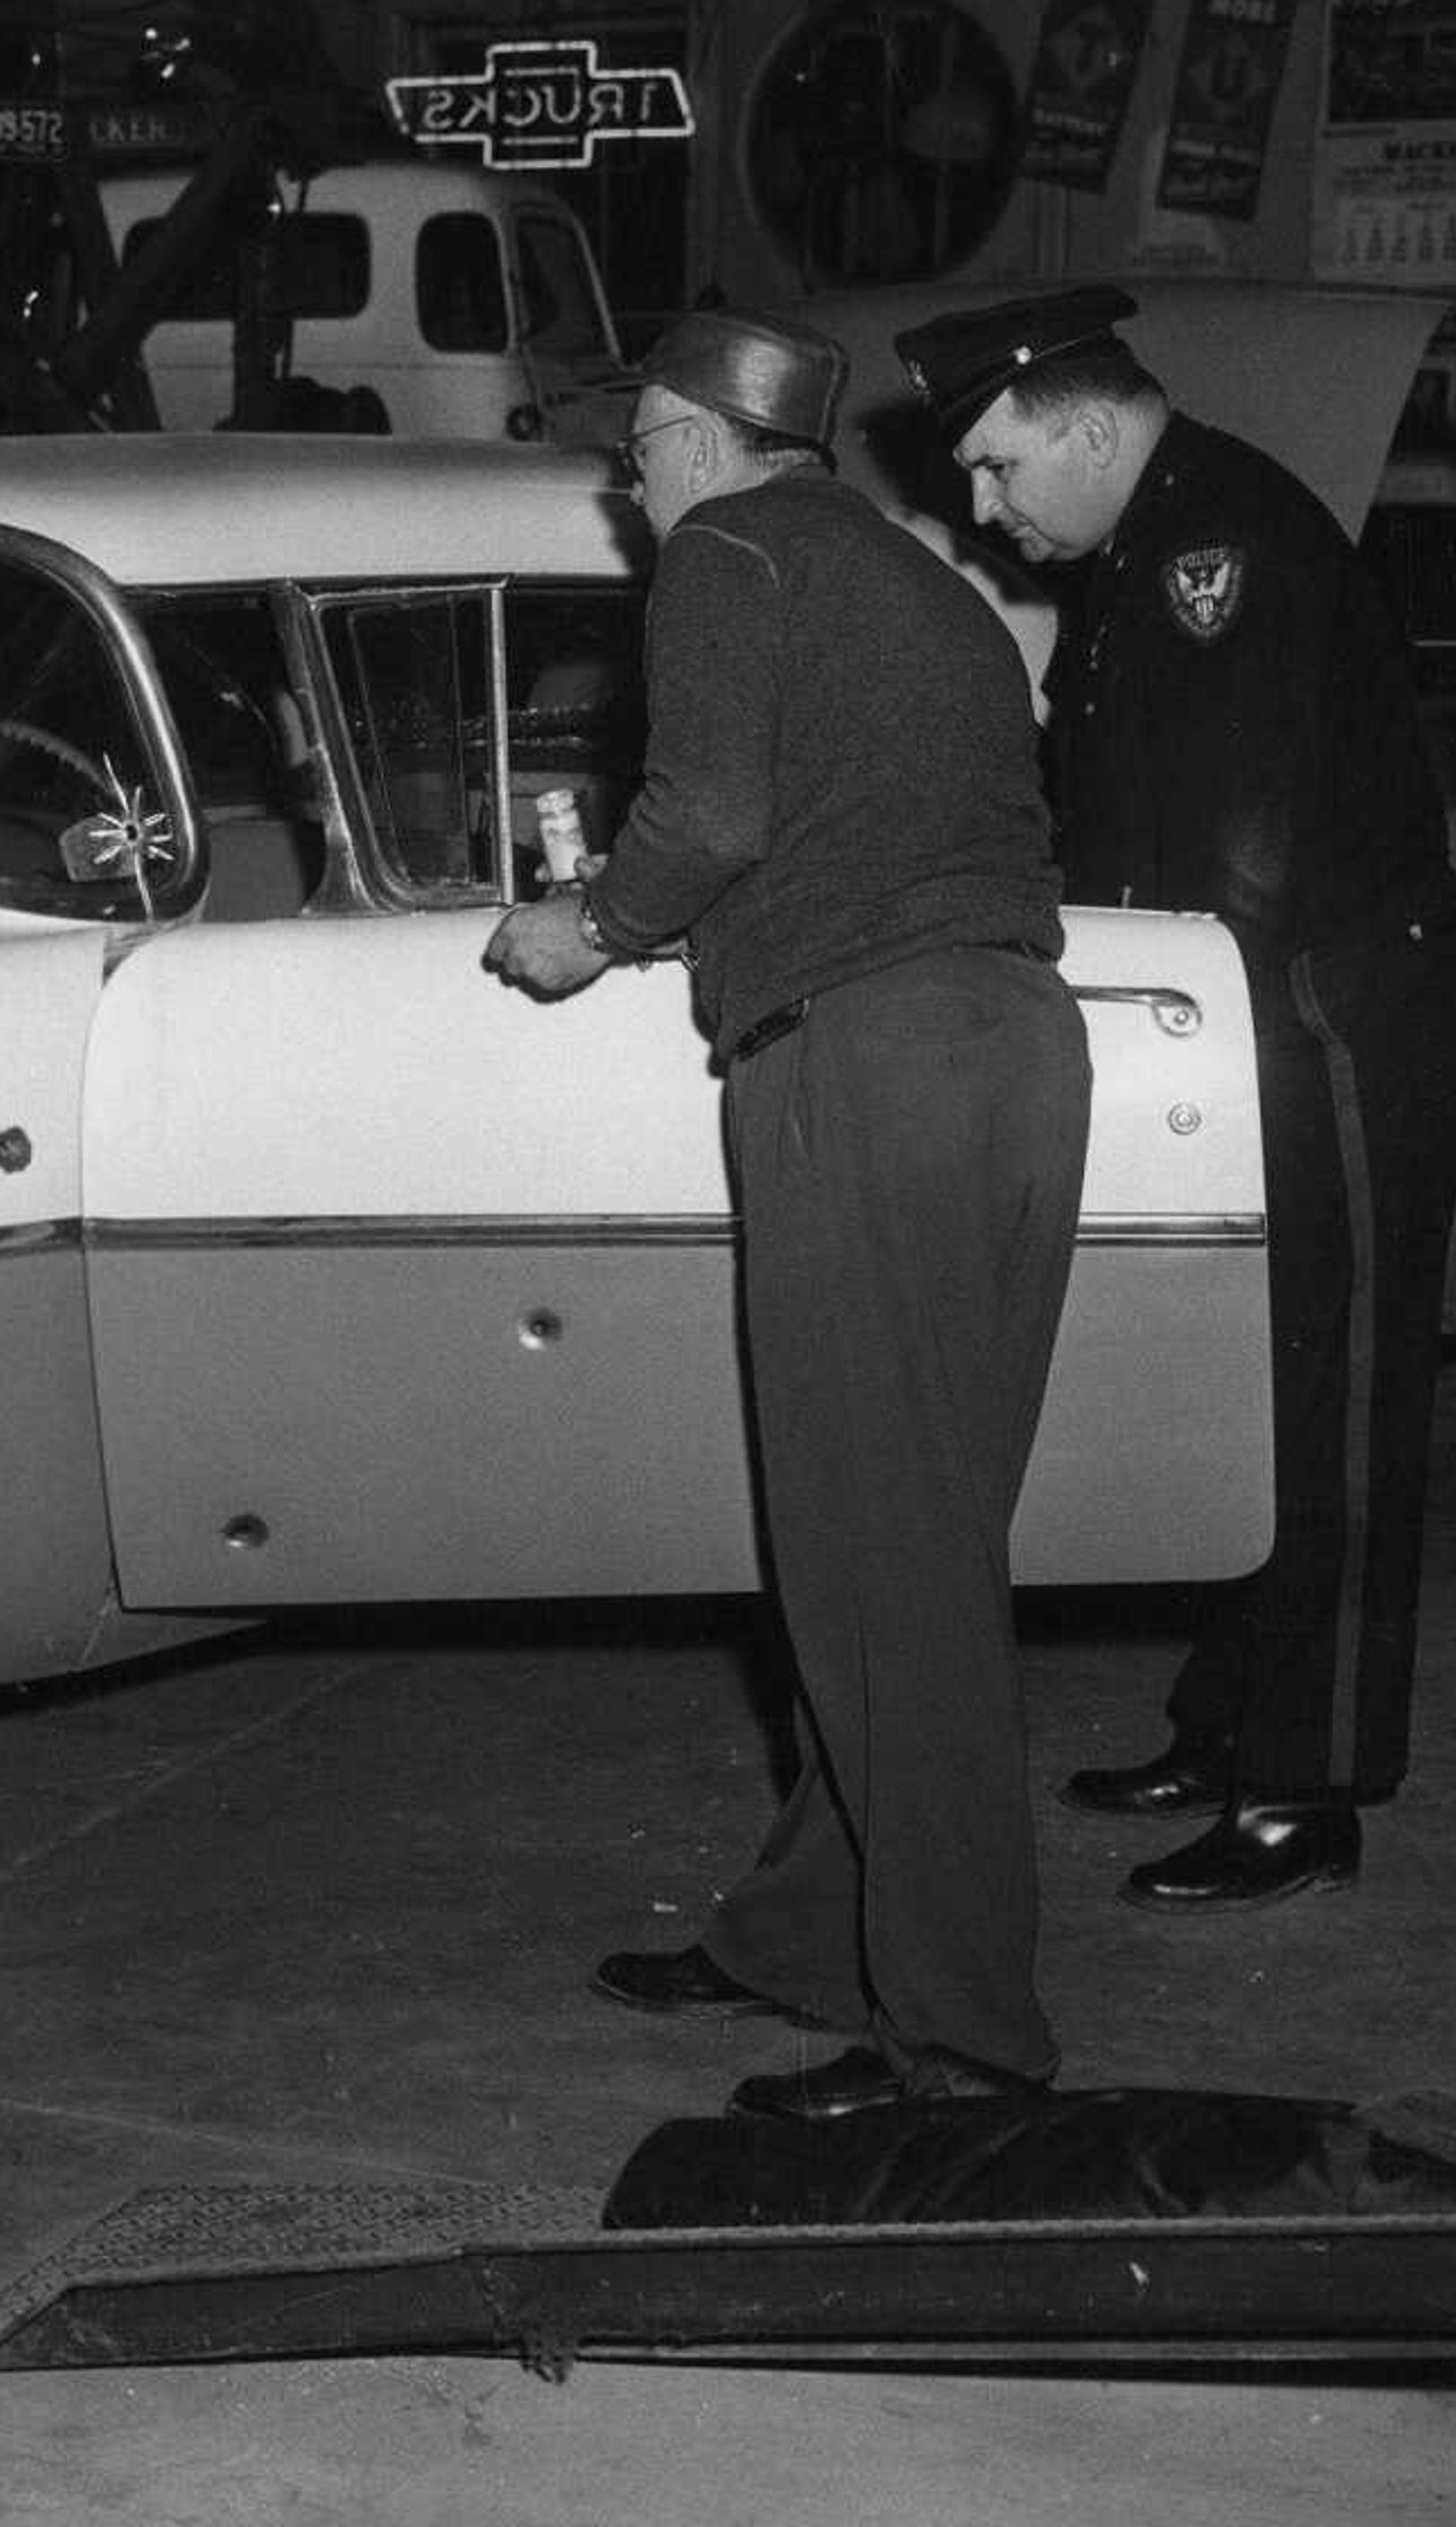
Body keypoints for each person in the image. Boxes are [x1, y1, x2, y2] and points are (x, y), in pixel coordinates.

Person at [486, 308, 1092, 2120]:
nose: (629, 480)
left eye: (639, 448)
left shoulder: (724, 554)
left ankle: (965, 2046)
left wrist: (581, 929)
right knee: (917, 1541)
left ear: (696, 437)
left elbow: (716, 805)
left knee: (872, 1564)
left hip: (860, 1060)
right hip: (1013, 1048)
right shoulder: (913, 579)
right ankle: (811, 1936)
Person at [892, 286, 1456, 1911]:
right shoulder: (1147, 541)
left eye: (1003, 466)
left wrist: (1158, 1037)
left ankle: (1311, 1785)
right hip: (1268, 997)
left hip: (1330, 1002)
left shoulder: (1213, 549)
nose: (984, 507)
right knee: (1256, 1384)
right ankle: (1232, 1722)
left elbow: (1230, 857)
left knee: (1342, 1392)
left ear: (1091, 424)